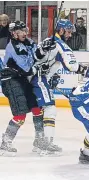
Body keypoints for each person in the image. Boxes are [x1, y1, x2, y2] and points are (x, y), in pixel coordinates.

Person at [30, 19, 88, 155]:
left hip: (33, 78)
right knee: (50, 109)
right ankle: (46, 143)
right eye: (68, 32)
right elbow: (72, 66)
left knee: (40, 111)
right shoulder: (60, 45)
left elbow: (38, 58)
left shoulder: (47, 41)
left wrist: (51, 76)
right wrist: (88, 71)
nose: (70, 35)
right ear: (61, 30)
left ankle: (39, 143)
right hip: (38, 79)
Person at [0, 21, 55, 156]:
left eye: (25, 30)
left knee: (37, 109)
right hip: (11, 81)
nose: (25, 33)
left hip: (23, 80)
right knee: (20, 115)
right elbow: (27, 69)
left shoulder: (28, 41)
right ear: (14, 33)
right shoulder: (12, 47)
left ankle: (39, 141)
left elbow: (36, 55)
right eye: (21, 31)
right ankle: (5, 143)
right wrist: (40, 67)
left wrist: (44, 48)